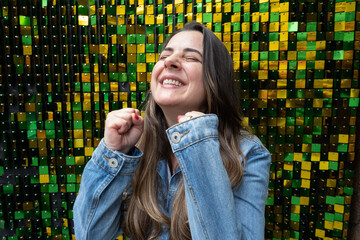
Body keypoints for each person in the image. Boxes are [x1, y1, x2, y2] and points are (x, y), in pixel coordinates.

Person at [73, 21, 271, 240]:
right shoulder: (136, 148)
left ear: (215, 80)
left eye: (191, 58)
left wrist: (199, 146)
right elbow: (90, 235)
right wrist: (113, 152)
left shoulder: (249, 154)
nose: (171, 62)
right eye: (164, 56)